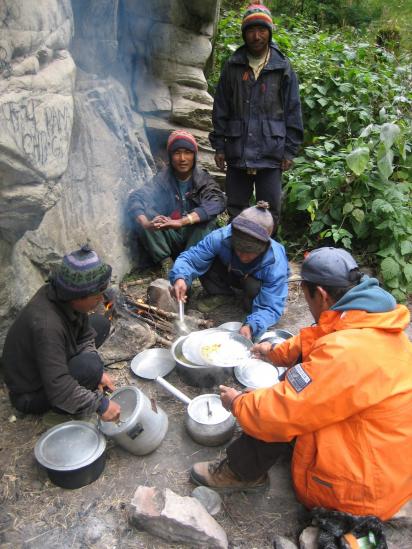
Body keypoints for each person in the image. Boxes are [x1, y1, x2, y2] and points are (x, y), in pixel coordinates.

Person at [189, 247, 412, 520]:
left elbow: (283, 411)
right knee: (294, 382)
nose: (307, 304)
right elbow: (321, 338)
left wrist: (239, 403)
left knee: (277, 410)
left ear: (321, 294)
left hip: (361, 492)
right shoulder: (368, 320)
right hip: (387, 462)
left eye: (306, 297)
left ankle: (241, 472)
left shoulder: (345, 355)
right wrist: (273, 352)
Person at [210, 2, 303, 229]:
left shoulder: (282, 68)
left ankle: (267, 261)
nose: (256, 36)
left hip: (271, 153)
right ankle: (237, 259)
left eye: (262, 30)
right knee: (236, 209)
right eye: (251, 30)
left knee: (270, 212)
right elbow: (220, 107)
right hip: (237, 150)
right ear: (244, 34)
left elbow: (293, 110)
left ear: (269, 33)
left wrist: (290, 150)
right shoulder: (232, 66)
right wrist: (220, 147)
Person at [2, 246, 121, 422]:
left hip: (49, 360)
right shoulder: (46, 326)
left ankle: (88, 371)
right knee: (89, 367)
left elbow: (86, 336)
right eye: (97, 296)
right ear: (77, 296)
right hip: (31, 393)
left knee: (101, 324)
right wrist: (100, 404)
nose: (101, 300)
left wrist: (97, 373)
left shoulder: (64, 295)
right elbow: (59, 389)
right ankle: (60, 410)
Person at [170, 201, 288, 340]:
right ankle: (222, 294)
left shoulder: (275, 261)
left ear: (264, 246)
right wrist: (180, 277)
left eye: (250, 253)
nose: (243, 256)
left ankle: (250, 306)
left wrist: (253, 326)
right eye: (239, 249)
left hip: (252, 283)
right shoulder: (220, 237)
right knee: (207, 261)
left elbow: (271, 306)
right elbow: (190, 259)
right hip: (230, 272)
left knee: (253, 290)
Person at [127, 129, 226, 273]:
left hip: (194, 238)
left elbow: (217, 202)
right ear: (170, 156)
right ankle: (166, 263)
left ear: (194, 156)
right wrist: (146, 224)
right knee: (146, 213)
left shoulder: (203, 179)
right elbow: (138, 197)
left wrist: (181, 221)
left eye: (188, 152)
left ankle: (190, 263)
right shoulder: (163, 178)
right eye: (177, 152)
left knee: (208, 220)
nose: (182, 158)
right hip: (170, 236)